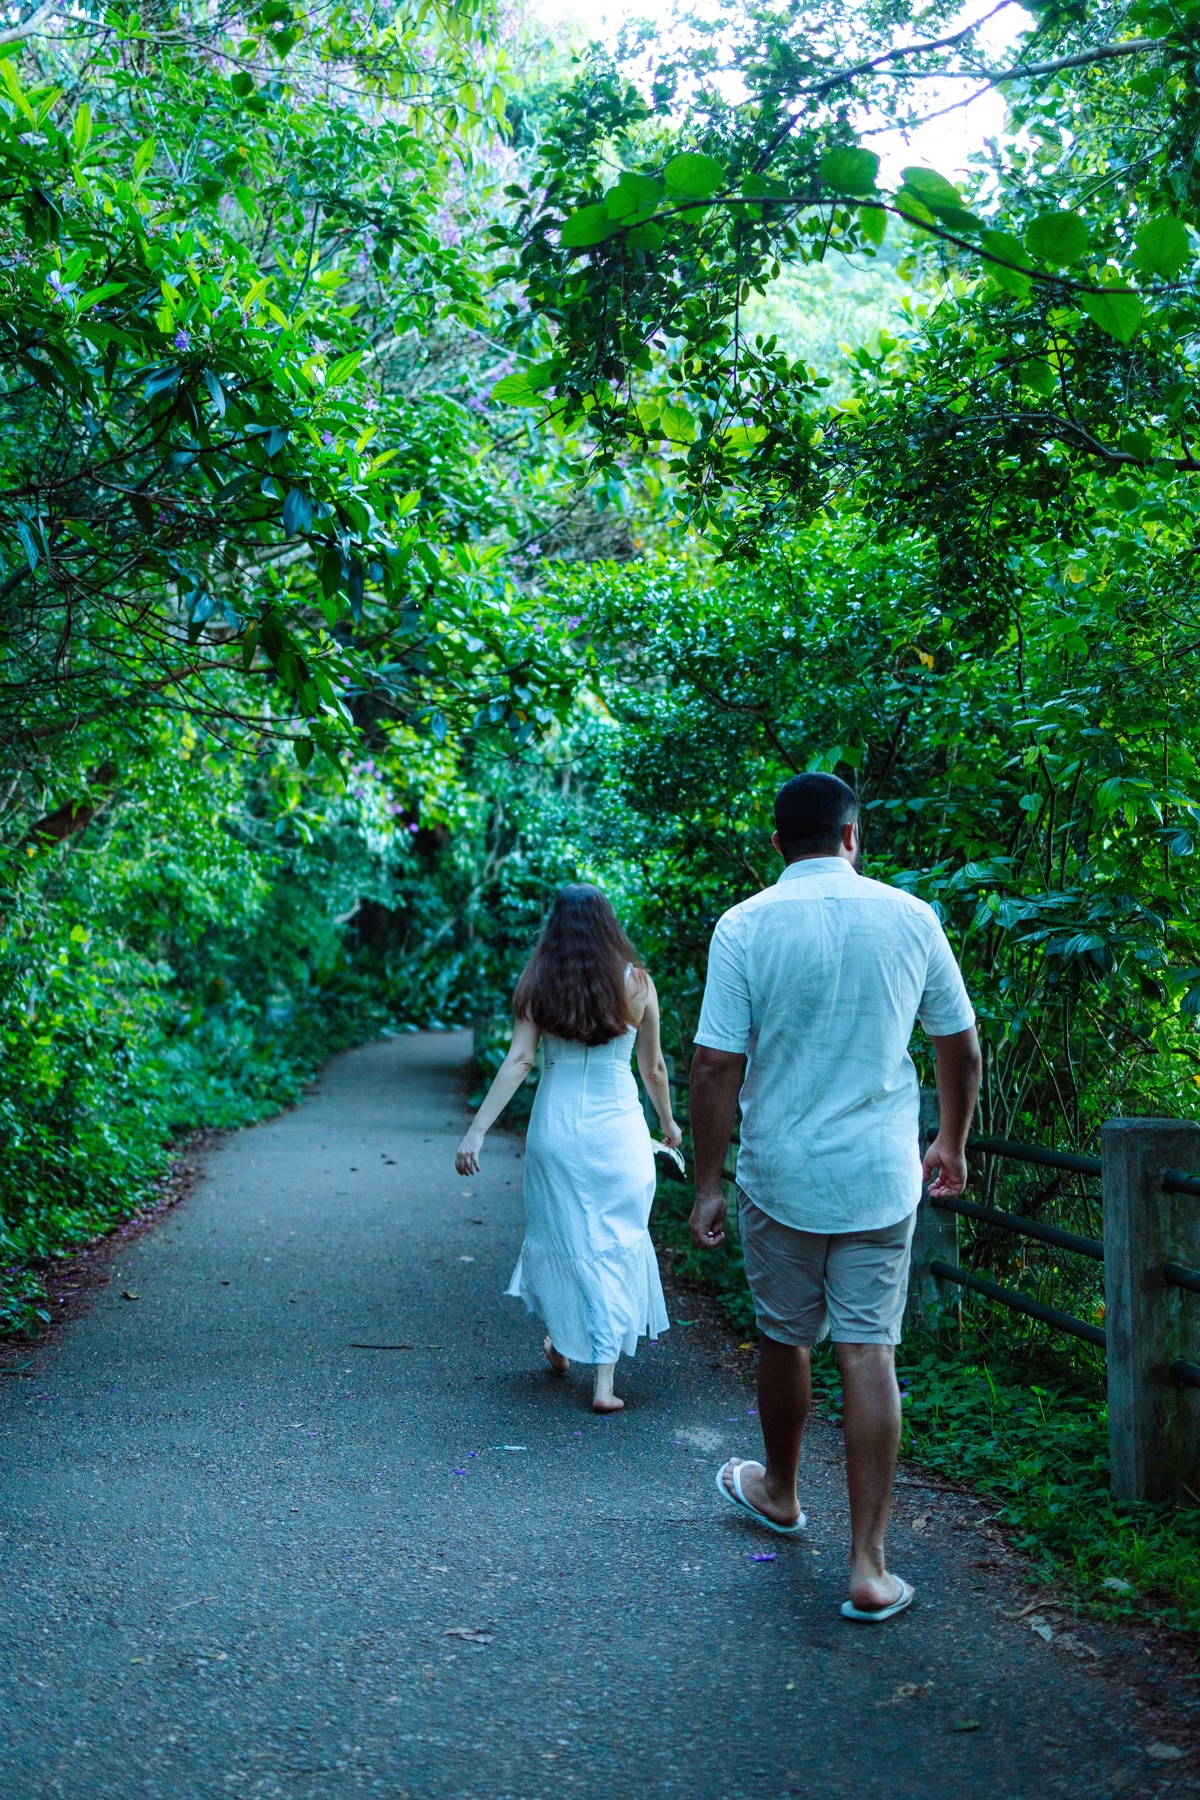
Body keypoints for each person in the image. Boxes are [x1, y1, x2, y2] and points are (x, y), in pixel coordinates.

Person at [689, 772, 981, 1621]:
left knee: (785, 1338)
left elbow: (713, 1064)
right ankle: (868, 1566)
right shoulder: (911, 918)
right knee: (869, 1351)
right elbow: (959, 1047)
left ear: (778, 844)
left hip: (780, 1175)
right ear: (854, 837)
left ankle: (780, 1491)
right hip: (880, 1179)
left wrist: (707, 1183)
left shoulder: (745, 925)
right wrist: (950, 1141)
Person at [455, 884, 682, 1413]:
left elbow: (518, 1061)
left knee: (562, 1230)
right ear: (609, 926)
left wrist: (478, 1130)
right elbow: (652, 1068)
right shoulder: (639, 984)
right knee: (614, 1236)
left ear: (554, 927)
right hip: (620, 1129)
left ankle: (561, 1342)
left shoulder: (538, 982)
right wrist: (669, 1124)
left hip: (556, 1129)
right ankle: (602, 1380)